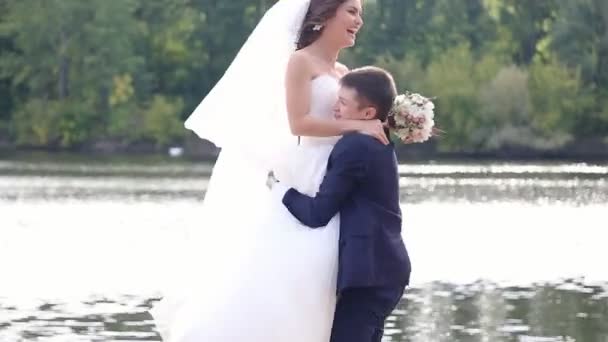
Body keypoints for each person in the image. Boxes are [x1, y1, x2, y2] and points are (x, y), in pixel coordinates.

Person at [150, 1, 389, 341]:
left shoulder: (344, 72)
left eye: (360, 13)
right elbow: (300, 123)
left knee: (333, 281)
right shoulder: (300, 61)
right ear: (325, 14)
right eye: (351, 11)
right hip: (308, 178)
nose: (358, 20)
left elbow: (359, 118)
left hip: (339, 182)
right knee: (299, 273)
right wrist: (357, 127)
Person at [268, 66, 412, 342]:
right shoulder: (377, 141)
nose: (335, 107)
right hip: (384, 269)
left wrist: (279, 188)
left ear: (368, 113)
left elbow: (317, 214)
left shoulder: (355, 146)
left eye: (343, 103)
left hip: (369, 273)